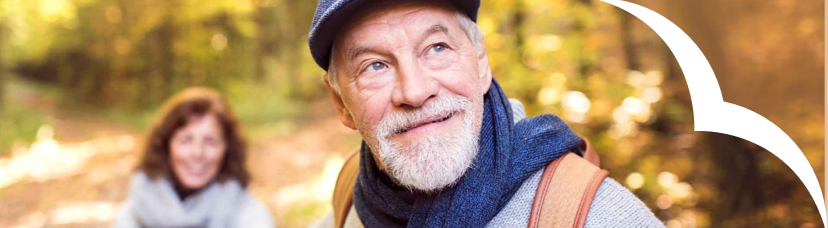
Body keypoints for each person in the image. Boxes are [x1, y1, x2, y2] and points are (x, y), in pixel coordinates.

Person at [307, 0, 664, 227]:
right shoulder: (353, 193)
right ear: (341, 104)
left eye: (437, 47)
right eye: (375, 66)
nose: (415, 92)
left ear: (480, 64)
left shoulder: (597, 216)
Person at [114, 87, 274, 228]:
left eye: (210, 142)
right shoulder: (137, 211)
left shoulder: (248, 213)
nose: (197, 153)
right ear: (166, 145)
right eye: (186, 140)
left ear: (227, 149)